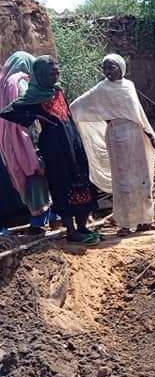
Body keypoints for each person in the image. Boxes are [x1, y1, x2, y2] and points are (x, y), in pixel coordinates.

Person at [0, 56, 101, 244]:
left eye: (57, 71)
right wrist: (36, 116)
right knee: (63, 185)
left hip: (73, 143)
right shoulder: (34, 95)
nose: (56, 75)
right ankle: (71, 231)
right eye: (51, 72)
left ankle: (83, 227)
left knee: (82, 181)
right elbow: (8, 112)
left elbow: (67, 117)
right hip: (55, 149)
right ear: (40, 74)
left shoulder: (58, 92)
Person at [71, 54, 155, 236]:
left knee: (142, 178)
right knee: (124, 181)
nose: (107, 72)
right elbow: (76, 107)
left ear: (121, 67)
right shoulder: (102, 89)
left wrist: (152, 136)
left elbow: (139, 114)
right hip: (117, 136)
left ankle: (145, 220)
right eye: (104, 68)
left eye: (111, 67)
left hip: (136, 135)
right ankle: (125, 224)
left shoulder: (129, 86)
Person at [0, 51, 52, 233]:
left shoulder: (4, 82)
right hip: (24, 136)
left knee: (23, 174)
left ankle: (40, 218)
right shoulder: (21, 80)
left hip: (8, 138)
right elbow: (25, 109)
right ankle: (42, 220)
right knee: (35, 171)